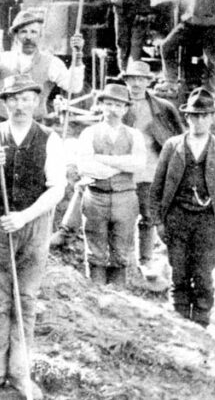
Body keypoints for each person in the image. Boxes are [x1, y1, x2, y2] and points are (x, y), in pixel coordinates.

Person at [0, 75, 66, 400]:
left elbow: (57, 189)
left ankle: (20, 373)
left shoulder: (49, 139)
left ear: (36, 101)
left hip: (34, 227)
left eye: (26, 99)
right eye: (13, 99)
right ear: (5, 103)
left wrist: (24, 216)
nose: (20, 105)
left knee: (26, 301)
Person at [149, 87, 215, 327]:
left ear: (211, 118)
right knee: (178, 273)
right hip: (177, 218)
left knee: (202, 276)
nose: (199, 121)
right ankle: (180, 324)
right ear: (187, 117)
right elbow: (157, 187)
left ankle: (201, 322)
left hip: (207, 221)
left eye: (204, 116)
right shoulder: (172, 146)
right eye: (194, 116)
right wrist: (159, 222)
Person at [75, 83, 146, 286]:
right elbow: (84, 167)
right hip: (96, 196)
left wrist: (102, 159)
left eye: (118, 105)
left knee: (121, 251)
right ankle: (96, 293)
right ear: (100, 105)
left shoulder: (134, 135)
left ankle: (117, 295)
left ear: (125, 109)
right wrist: (122, 164)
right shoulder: (89, 133)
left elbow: (139, 164)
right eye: (108, 104)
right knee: (95, 250)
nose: (113, 110)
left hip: (125, 198)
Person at [119, 60, 184, 266]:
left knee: (148, 215)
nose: (136, 84)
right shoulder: (117, 104)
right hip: (123, 170)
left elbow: (180, 138)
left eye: (141, 79)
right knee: (121, 216)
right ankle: (122, 260)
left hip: (150, 170)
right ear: (126, 81)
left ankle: (145, 260)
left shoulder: (164, 107)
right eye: (132, 79)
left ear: (148, 82)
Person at [0, 10, 85, 120]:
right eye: (23, 32)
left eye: (33, 32)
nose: (28, 37)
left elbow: (74, 87)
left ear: (40, 35)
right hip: (2, 125)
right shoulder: (1, 59)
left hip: (35, 125)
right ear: (15, 36)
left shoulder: (51, 63)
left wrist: (77, 56)